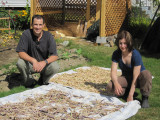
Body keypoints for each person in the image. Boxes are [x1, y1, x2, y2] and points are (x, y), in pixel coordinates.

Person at [106, 30, 152, 108]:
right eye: (121, 43)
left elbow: (135, 77)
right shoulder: (116, 54)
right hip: (126, 78)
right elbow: (113, 73)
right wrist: (116, 84)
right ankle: (125, 92)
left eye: (125, 43)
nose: (123, 46)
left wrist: (131, 95)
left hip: (138, 79)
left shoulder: (135, 55)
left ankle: (145, 97)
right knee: (110, 86)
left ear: (129, 43)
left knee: (147, 74)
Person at [16, 15, 59, 88]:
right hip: (31, 64)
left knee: (55, 66)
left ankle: (44, 81)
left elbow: (55, 55)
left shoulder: (48, 36)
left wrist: (45, 62)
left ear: (43, 25)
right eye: (35, 24)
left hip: (43, 65)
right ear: (32, 25)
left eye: (40, 25)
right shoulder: (26, 34)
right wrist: (33, 60)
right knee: (20, 63)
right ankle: (29, 82)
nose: (38, 27)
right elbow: (21, 52)